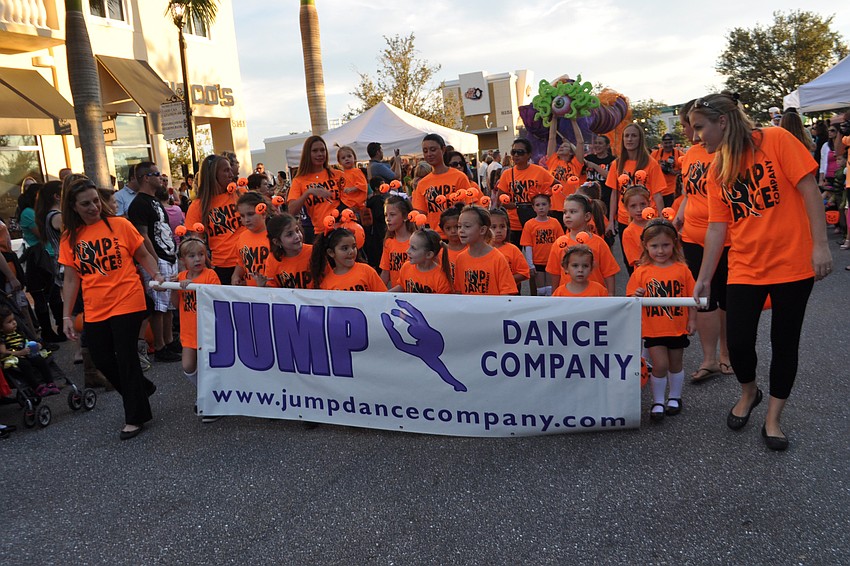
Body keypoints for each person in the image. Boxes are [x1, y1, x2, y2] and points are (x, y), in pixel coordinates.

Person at [690, 92, 832, 450]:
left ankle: (773, 418)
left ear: (721, 121)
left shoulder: (776, 139)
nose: (696, 137)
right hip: (744, 267)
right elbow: (716, 228)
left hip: (793, 263)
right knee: (737, 344)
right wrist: (704, 277)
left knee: (784, 342)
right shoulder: (716, 169)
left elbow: (809, 190)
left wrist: (820, 245)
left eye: (699, 128)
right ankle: (749, 391)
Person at [59, 176, 164, 440]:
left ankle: (135, 416)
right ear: (73, 207)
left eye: (96, 201)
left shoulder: (120, 224)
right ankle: (141, 387)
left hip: (127, 298)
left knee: (126, 356)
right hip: (95, 306)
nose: (93, 207)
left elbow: (142, 255)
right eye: (86, 204)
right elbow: (71, 277)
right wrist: (66, 315)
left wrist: (156, 276)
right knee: (102, 357)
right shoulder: (70, 237)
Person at [674, 99, 732, 382]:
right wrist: (679, 215)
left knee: (727, 300)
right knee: (704, 299)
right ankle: (709, 358)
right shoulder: (690, 154)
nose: (691, 133)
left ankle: (727, 356)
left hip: (727, 239)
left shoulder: (723, 151)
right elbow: (689, 192)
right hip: (693, 237)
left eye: (694, 126)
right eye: (689, 126)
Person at [627, 217, 696, 421]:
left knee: (676, 363)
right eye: (654, 246)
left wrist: (693, 320)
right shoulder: (641, 271)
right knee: (659, 365)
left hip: (676, 327)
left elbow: (692, 298)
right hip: (653, 329)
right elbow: (630, 297)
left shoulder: (682, 269)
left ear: (674, 244)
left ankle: (674, 397)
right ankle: (657, 401)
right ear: (645, 246)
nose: (660, 250)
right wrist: (636, 295)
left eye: (665, 245)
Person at [126, 162, 181, 363]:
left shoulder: (155, 201)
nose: (161, 177)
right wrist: (154, 261)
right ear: (145, 178)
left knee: (168, 305)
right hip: (157, 258)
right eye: (156, 174)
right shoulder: (139, 204)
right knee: (159, 306)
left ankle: (168, 339)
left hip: (168, 255)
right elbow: (143, 235)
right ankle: (159, 345)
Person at [605, 123, 666, 264]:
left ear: (640, 139)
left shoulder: (651, 163)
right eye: (627, 136)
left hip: (647, 219)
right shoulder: (617, 164)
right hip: (624, 219)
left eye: (634, 135)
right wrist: (611, 221)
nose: (630, 139)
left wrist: (662, 220)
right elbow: (614, 193)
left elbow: (657, 194)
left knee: (652, 260)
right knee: (631, 262)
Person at [185, 155, 244, 284]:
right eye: (226, 170)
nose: (231, 174)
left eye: (230, 169)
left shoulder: (240, 194)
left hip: (248, 260)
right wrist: (205, 266)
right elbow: (196, 243)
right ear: (213, 175)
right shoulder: (197, 206)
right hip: (222, 266)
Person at [546, 194, 618, 295]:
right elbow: (555, 274)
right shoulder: (559, 243)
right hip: (568, 299)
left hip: (594, 297)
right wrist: (555, 298)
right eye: (565, 212)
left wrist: (610, 295)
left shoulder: (598, 243)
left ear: (587, 216)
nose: (567, 215)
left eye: (573, 212)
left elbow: (609, 272)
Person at [174, 237, 220, 392]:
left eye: (201, 254)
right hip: (189, 332)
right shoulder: (180, 278)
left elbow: (216, 298)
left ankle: (212, 394)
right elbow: (176, 304)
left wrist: (195, 286)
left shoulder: (211, 275)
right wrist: (175, 288)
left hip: (208, 331)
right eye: (192, 256)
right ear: (183, 260)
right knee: (188, 365)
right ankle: (203, 391)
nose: (197, 259)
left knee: (208, 366)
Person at [496, 137, 556, 247]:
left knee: (535, 257)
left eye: (520, 152)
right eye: (514, 152)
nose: (516, 155)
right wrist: (512, 205)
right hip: (515, 223)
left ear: (529, 155)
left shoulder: (539, 171)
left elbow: (557, 185)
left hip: (536, 221)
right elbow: (500, 199)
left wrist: (544, 199)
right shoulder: (507, 174)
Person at [412, 134, 471, 235]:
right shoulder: (422, 184)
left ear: (443, 150)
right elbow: (420, 215)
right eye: (425, 151)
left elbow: (469, 208)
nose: (429, 154)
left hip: (458, 235)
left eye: (433, 149)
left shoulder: (459, 177)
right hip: (435, 237)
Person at [454, 205, 516, 295]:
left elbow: (507, 294)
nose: (461, 231)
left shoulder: (497, 258)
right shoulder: (460, 258)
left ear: (482, 230)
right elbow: (459, 292)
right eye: (459, 226)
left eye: (467, 226)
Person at [287, 136, 344, 235]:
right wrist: (308, 193)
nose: (320, 154)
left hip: (343, 228)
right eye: (315, 151)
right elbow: (291, 210)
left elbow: (352, 201)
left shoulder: (338, 175)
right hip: (320, 232)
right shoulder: (299, 180)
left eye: (322, 150)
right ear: (307, 154)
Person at [0, 305, 59, 397]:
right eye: (9, 322)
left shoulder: (17, 332)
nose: (14, 323)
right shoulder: (2, 337)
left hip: (25, 352)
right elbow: (3, 351)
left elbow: (26, 342)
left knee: (40, 360)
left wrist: (36, 345)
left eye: (14, 320)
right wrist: (18, 353)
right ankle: (36, 387)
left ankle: (50, 382)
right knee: (25, 365)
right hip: (13, 356)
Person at [32, 181, 65, 342]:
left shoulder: (51, 214)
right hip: (64, 262)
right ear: (57, 196)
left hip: (59, 260)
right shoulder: (57, 216)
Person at [310, 228, 386, 291]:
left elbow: (384, 298)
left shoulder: (367, 271)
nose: (351, 252)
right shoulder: (326, 284)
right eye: (345, 248)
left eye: (353, 246)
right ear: (331, 252)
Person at [520, 194, 563, 296]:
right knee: (541, 290)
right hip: (537, 262)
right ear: (534, 208)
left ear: (549, 206)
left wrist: (561, 260)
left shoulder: (555, 223)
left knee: (550, 289)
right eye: (538, 205)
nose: (541, 207)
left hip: (551, 261)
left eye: (544, 204)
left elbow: (560, 243)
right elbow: (528, 245)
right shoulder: (529, 224)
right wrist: (530, 264)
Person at [546, 117, 586, 224]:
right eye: (560, 146)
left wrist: (573, 119)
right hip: (553, 208)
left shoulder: (576, 164)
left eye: (565, 146)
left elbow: (580, 141)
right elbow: (552, 137)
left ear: (572, 152)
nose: (560, 147)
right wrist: (554, 117)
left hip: (571, 208)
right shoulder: (552, 160)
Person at [390, 228, 453, 294]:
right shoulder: (406, 267)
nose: (408, 251)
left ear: (429, 254)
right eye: (409, 246)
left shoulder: (440, 277)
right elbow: (402, 286)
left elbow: (443, 302)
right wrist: (383, 295)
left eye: (413, 248)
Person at [262, 213, 313, 288]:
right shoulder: (273, 259)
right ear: (277, 242)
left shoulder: (313, 252)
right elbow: (272, 289)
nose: (297, 236)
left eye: (297, 230)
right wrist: (262, 285)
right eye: (289, 234)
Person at [232, 192, 271, 286]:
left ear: (263, 213)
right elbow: (241, 263)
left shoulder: (274, 236)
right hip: (251, 294)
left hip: (273, 293)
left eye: (250, 214)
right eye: (242, 216)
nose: (246, 220)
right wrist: (236, 276)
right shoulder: (242, 237)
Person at [490, 208, 530, 289]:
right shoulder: (481, 250)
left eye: (502, 226)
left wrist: (506, 280)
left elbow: (524, 273)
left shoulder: (513, 250)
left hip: (510, 295)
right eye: (493, 227)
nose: (498, 231)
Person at [380, 195, 414, 289]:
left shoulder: (415, 240)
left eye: (392, 215)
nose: (388, 219)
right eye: (386, 215)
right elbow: (385, 272)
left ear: (405, 217)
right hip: (396, 295)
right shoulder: (388, 242)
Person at [619, 186, 652, 272]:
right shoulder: (629, 232)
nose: (639, 209)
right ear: (627, 208)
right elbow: (637, 261)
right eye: (633, 206)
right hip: (645, 273)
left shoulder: (657, 224)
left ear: (649, 203)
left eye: (643, 204)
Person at [651, 134, 684, 207]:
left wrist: (673, 172)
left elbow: (685, 171)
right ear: (662, 143)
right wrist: (659, 168)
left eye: (670, 142)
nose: (668, 145)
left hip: (672, 190)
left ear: (673, 142)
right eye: (666, 143)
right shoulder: (655, 154)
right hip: (657, 191)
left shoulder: (679, 154)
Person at [584, 135, 616, 205]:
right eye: (595, 143)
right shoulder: (589, 158)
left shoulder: (613, 160)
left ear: (607, 146)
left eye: (600, 143)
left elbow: (611, 176)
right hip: (589, 197)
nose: (597, 145)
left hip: (606, 198)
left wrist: (594, 166)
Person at [336, 146, 368, 211]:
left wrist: (352, 189)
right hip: (345, 201)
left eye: (349, 156)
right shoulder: (341, 174)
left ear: (354, 158)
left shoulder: (357, 171)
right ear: (339, 162)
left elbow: (363, 185)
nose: (346, 159)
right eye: (343, 158)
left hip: (354, 203)